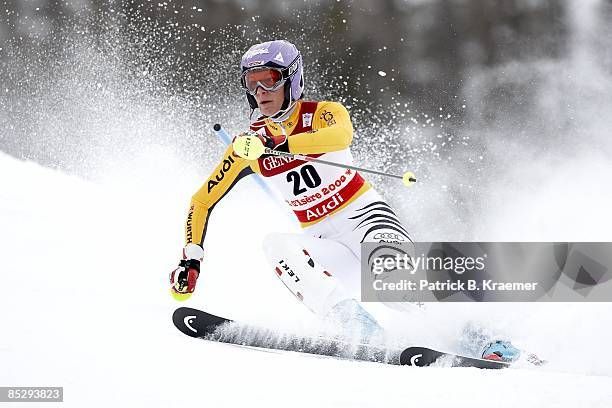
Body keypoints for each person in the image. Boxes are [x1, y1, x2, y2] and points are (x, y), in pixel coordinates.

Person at [168, 40, 521, 359]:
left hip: (368, 220)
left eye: (270, 79)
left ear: (292, 80)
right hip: (326, 243)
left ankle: (486, 339)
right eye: (252, 82)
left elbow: (341, 135)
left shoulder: (322, 113)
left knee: (398, 289)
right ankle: (358, 328)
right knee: (274, 244)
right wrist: (191, 258)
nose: (261, 91)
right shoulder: (248, 145)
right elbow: (201, 201)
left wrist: (281, 144)